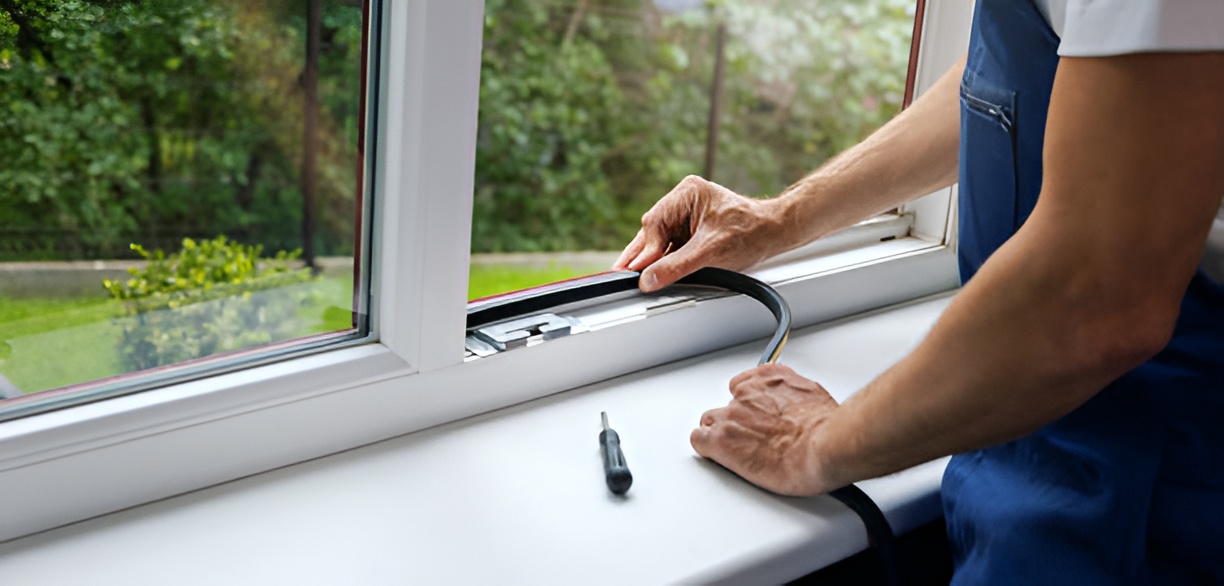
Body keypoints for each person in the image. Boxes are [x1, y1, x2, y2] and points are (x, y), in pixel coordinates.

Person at [614, 1, 1224, 582]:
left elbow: (1096, 297)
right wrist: (781, 219)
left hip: (1145, 481)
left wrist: (817, 443)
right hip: (1032, 436)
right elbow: (1022, 74)